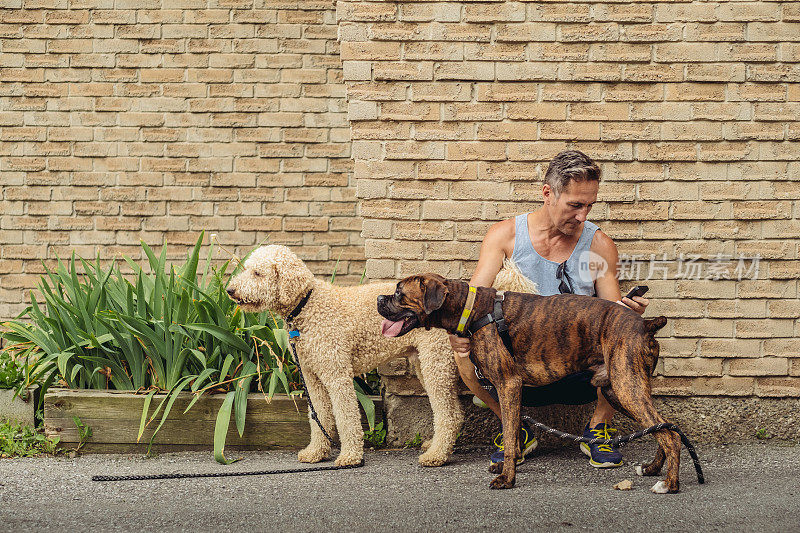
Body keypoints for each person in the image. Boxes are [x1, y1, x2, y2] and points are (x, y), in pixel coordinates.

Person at [449, 149, 649, 470]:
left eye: (589, 206)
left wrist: (628, 314)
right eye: (574, 205)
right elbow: (473, 299)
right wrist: (461, 332)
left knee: (628, 341)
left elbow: (611, 314)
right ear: (548, 194)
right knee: (461, 350)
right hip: (516, 362)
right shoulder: (505, 236)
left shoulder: (599, 245)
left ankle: (597, 428)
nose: (583, 216)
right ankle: (515, 428)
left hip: (578, 365)